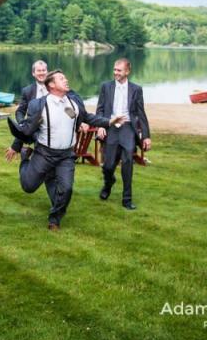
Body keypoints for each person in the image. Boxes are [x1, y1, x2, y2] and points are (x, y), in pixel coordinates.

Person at [11, 70, 121, 231]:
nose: (66, 80)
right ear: (52, 85)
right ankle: (25, 159)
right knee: (28, 186)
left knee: (67, 189)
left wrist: (109, 121)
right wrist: (17, 146)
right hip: (44, 153)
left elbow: (86, 117)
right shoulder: (38, 105)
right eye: (62, 78)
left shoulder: (73, 102)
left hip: (66, 156)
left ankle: (54, 219)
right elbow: (26, 129)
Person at [95, 58, 152, 210]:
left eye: (119, 70)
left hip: (127, 128)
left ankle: (127, 199)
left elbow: (141, 113)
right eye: (114, 69)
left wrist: (146, 136)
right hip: (111, 127)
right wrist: (101, 125)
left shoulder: (136, 89)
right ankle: (108, 184)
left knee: (127, 163)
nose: (115, 73)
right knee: (108, 166)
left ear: (127, 71)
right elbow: (100, 109)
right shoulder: (105, 87)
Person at [5, 60, 49, 161]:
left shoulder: (54, 87)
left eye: (44, 70)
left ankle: (25, 155)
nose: (42, 73)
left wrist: (78, 120)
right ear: (33, 73)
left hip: (54, 129)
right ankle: (26, 157)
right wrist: (23, 124)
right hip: (36, 131)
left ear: (47, 72)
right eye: (39, 70)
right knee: (41, 161)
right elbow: (20, 111)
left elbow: (67, 107)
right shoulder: (27, 91)